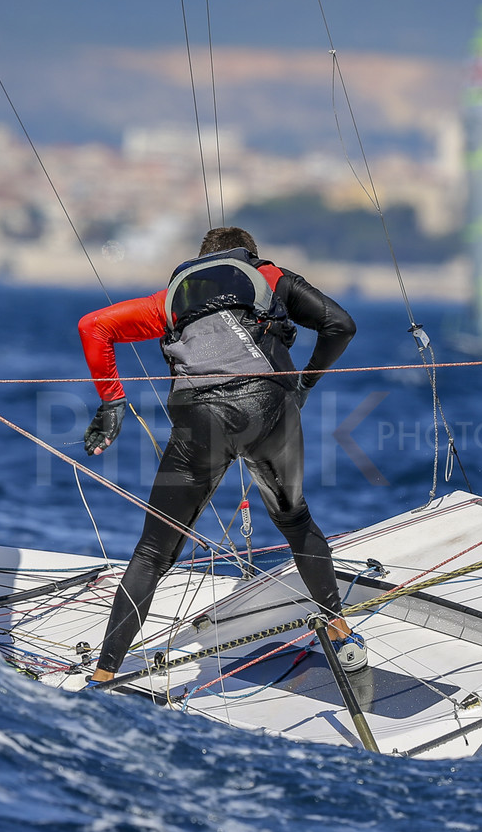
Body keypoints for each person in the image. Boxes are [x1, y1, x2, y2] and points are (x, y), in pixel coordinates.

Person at [78, 226, 363, 682]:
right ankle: (340, 632)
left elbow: (94, 326)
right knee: (294, 520)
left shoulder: (172, 297)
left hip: (200, 418)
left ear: (201, 259)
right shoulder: (268, 276)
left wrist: (112, 403)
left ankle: (104, 675)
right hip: (268, 409)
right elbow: (341, 326)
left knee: (152, 552)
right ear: (248, 256)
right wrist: (305, 383)